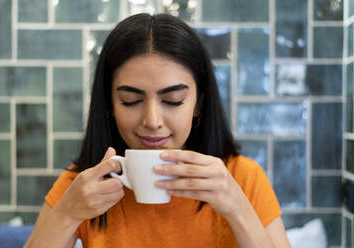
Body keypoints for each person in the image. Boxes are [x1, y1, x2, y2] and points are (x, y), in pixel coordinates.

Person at [24, 13, 291, 248]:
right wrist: (65, 216)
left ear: (199, 103)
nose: (152, 121)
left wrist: (236, 208)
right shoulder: (84, 185)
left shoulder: (241, 178)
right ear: (109, 106)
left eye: (173, 101)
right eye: (131, 101)